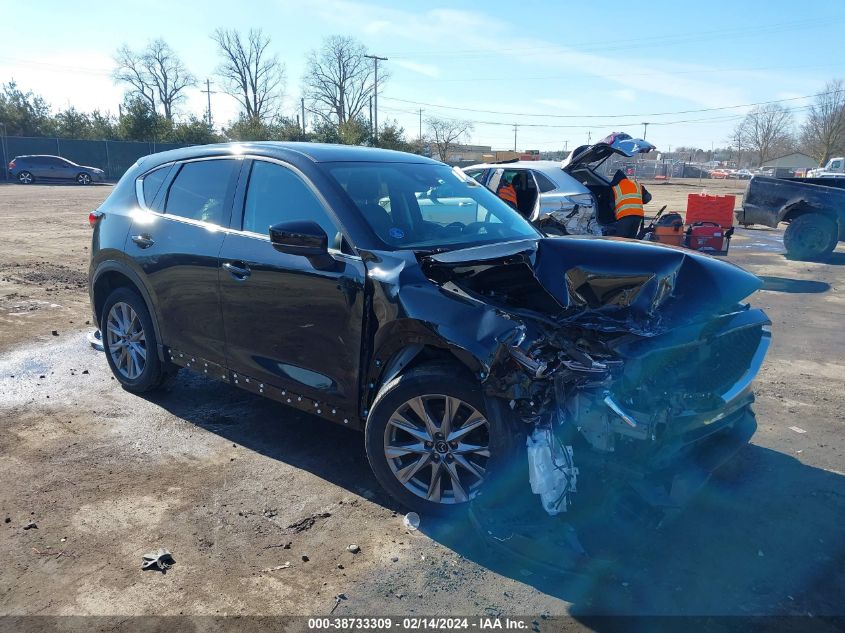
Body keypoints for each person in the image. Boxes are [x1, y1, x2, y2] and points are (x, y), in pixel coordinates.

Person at [603, 170, 652, 238]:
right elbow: (648, 198)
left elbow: (612, 205)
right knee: (631, 239)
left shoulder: (615, 188)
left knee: (621, 239)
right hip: (638, 216)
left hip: (624, 216)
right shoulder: (636, 184)